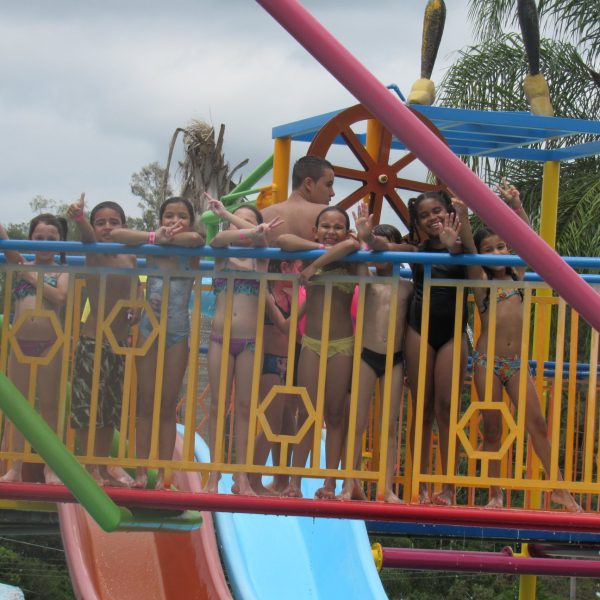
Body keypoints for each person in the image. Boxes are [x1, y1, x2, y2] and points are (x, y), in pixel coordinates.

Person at [461, 180, 582, 512]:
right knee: (492, 429)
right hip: (487, 362)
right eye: (490, 250)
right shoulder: (482, 281)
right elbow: (469, 248)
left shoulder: (517, 274)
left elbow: (527, 238)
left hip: (516, 364)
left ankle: (560, 489)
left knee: (537, 423)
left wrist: (516, 206)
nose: (497, 254)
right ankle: (495, 493)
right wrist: (462, 211)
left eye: (502, 247)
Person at [109, 197, 204, 489]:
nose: (175, 221)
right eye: (168, 216)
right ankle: (141, 471)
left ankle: (164, 473)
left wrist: (169, 236)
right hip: (149, 330)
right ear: (159, 220)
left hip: (177, 332)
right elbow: (117, 235)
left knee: (167, 404)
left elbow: (197, 239)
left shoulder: (191, 249)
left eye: (182, 216)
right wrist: (155, 237)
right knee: (146, 402)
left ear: (191, 221)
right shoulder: (152, 247)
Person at [277, 206, 368, 499]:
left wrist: (316, 265)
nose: (331, 231)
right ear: (315, 231)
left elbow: (352, 245)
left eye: (338, 226)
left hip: (342, 344)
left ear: (346, 230)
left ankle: (330, 482)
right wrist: (318, 251)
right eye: (325, 226)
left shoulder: (350, 258)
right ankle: (294, 481)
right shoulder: (308, 251)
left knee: (335, 413)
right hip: (312, 343)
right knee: (306, 411)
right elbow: (283, 240)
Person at [334, 203, 414, 502]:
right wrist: (361, 237)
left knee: (389, 425)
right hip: (366, 355)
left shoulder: (407, 286)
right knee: (357, 423)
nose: (381, 258)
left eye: (386, 250)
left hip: (395, 358)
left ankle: (387, 487)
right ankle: (348, 483)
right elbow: (359, 254)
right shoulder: (366, 279)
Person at [205, 194, 283, 495]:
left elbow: (260, 240)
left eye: (250, 221)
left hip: (249, 341)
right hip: (219, 338)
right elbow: (219, 239)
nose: (244, 227)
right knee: (217, 405)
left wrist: (254, 231)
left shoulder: (259, 257)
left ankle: (242, 476)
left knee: (245, 407)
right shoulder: (223, 253)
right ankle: (213, 474)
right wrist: (233, 219)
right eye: (239, 221)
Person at [67, 195, 141, 486]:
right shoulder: (94, 252)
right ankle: (90, 467)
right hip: (94, 341)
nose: (107, 227)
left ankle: (103, 465)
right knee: (88, 407)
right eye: (101, 222)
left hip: (119, 342)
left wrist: (137, 304)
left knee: (110, 409)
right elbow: (87, 235)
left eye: (114, 222)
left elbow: (137, 286)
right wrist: (80, 218)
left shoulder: (131, 256)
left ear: (125, 226)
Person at [404, 190, 469, 506]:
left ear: (449, 211)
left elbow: (467, 255)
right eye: (424, 215)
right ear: (417, 222)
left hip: (452, 332)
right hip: (419, 328)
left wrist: (455, 240)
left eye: (437, 211)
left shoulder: (464, 246)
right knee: (423, 407)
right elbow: (384, 247)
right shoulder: (418, 250)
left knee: (446, 407)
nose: (432, 218)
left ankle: (448, 487)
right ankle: (419, 484)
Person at [0, 216, 69, 484]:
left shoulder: (63, 270)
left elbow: (60, 297)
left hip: (50, 345)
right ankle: (15, 468)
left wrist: (31, 277)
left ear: (61, 242)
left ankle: (50, 468)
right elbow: (4, 238)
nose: (45, 243)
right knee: (19, 409)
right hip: (20, 344)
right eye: (39, 238)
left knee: (49, 408)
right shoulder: (21, 263)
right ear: (30, 239)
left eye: (52, 239)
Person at [250, 258, 306, 495]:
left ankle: (282, 479)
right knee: (271, 424)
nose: (303, 274)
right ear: (285, 267)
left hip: (289, 362)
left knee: (287, 423)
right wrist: (309, 302)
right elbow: (284, 326)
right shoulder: (267, 293)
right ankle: (251, 479)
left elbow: (300, 332)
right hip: (270, 363)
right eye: (300, 268)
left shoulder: (293, 295)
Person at [261, 155, 335, 245]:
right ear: (308, 184)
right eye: (328, 185)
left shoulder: (262, 215)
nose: (332, 193)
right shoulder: (327, 214)